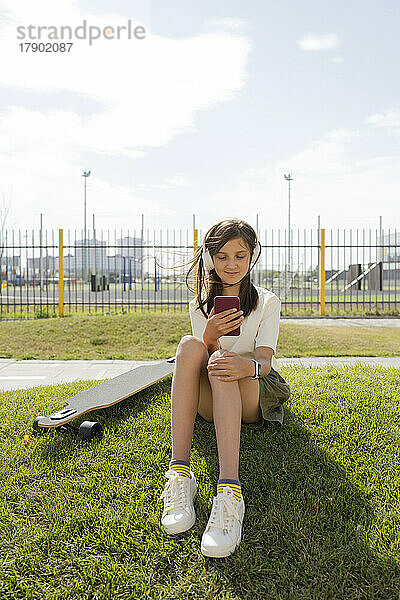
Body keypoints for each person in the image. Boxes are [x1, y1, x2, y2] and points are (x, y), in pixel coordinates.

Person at [159, 218, 291, 558]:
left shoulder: (266, 301)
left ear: (252, 258)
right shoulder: (200, 304)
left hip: (251, 389)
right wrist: (210, 337)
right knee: (191, 345)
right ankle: (179, 474)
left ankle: (230, 491)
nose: (231, 265)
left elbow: (265, 361)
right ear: (209, 259)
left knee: (226, 366)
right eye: (222, 256)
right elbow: (200, 358)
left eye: (240, 255)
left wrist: (243, 365)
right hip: (212, 390)